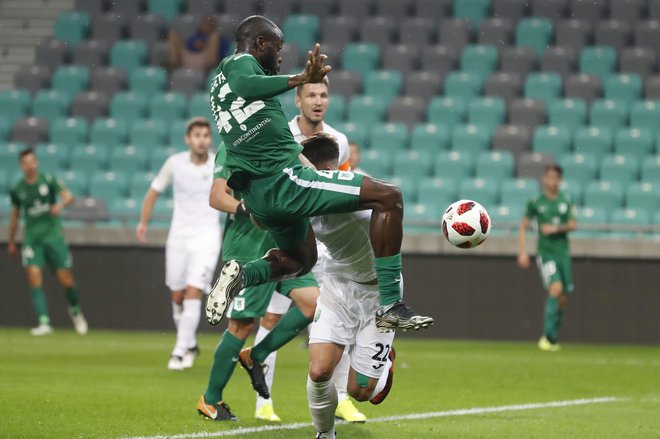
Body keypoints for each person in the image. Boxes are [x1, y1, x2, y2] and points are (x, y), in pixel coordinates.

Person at [205, 15, 433, 334]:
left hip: (259, 195)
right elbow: (246, 83)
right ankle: (391, 303)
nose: (280, 55)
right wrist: (299, 79)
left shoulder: (219, 87)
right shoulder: (239, 63)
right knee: (389, 197)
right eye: (277, 47)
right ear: (259, 43)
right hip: (286, 181)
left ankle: (244, 275)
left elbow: (260, 125)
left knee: (301, 259)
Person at [253, 77, 367, 423]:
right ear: (298, 101)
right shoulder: (281, 136)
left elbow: (340, 189)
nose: (318, 101)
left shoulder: (339, 141)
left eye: (323, 95)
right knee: (272, 317)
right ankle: (263, 402)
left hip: (326, 241)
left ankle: (344, 398)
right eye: (311, 95)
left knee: (342, 314)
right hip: (289, 239)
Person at [195, 142, 319, 422]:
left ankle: (256, 355)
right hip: (247, 250)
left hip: (284, 249)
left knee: (313, 304)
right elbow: (216, 197)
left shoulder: (282, 146)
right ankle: (210, 400)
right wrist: (247, 208)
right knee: (241, 325)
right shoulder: (232, 149)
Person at [300, 133, 396, 439]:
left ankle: (384, 365)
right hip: (338, 287)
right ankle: (325, 435)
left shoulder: (358, 190)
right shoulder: (301, 195)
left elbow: (392, 205)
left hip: (377, 295)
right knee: (319, 372)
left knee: (360, 391)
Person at [136, 117, 220, 370]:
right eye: (197, 135)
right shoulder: (174, 163)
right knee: (178, 295)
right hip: (179, 237)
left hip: (207, 237)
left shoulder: (219, 162)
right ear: (188, 139)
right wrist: (143, 223)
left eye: (205, 135)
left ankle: (179, 350)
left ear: (209, 139)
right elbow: (153, 192)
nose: (201, 140)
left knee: (194, 290)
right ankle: (190, 343)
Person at [8, 148, 88, 336]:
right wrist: (11, 240)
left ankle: (75, 310)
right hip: (32, 239)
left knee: (66, 280)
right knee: (34, 276)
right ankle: (44, 321)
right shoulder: (18, 189)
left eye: (33, 160)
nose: (30, 165)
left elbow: (69, 196)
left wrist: (59, 206)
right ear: (22, 165)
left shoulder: (49, 180)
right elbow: (15, 216)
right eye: (26, 162)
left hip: (53, 236)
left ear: (36, 162)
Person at [517, 164, 577, 352]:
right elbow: (523, 226)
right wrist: (522, 251)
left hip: (563, 253)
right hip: (546, 253)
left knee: (563, 297)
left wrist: (556, 229)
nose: (553, 181)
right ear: (545, 178)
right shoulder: (536, 201)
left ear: (560, 180)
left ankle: (553, 337)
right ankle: (546, 337)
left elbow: (573, 224)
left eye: (556, 178)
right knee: (555, 288)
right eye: (550, 177)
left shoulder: (565, 200)